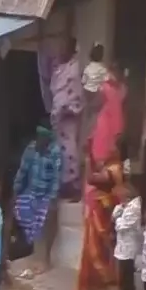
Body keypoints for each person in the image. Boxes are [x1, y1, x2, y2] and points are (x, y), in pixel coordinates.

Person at [77, 136, 127, 290]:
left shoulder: (114, 168)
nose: (110, 149)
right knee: (99, 251)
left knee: (97, 251)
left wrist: (86, 158)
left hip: (103, 213)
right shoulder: (114, 166)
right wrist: (90, 153)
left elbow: (92, 179)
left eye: (114, 146)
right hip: (103, 210)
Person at [12, 127, 62, 272]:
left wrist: (52, 199)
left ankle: (45, 257)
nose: (39, 141)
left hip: (47, 193)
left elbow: (56, 178)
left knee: (49, 215)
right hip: (31, 191)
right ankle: (36, 254)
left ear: (48, 139)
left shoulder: (55, 152)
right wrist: (16, 190)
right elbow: (22, 171)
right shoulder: (31, 149)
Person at [50, 41, 84, 197]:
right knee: (58, 150)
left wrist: (68, 107)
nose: (61, 50)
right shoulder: (58, 68)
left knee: (70, 148)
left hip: (68, 115)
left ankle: (73, 184)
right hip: (58, 116)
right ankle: (61, 184)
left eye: (64, 47)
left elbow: (76, 92)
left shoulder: (74, 70)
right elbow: (54, 90)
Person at [112, 180, 143, 290]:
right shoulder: (124, 206)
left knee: (128, 283)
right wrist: (119, 213)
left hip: (130, 250)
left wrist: (118, 218)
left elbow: (121, 225)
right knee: (123, 281)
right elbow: (114, 215)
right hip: (122, 249)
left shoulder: (135, 207)